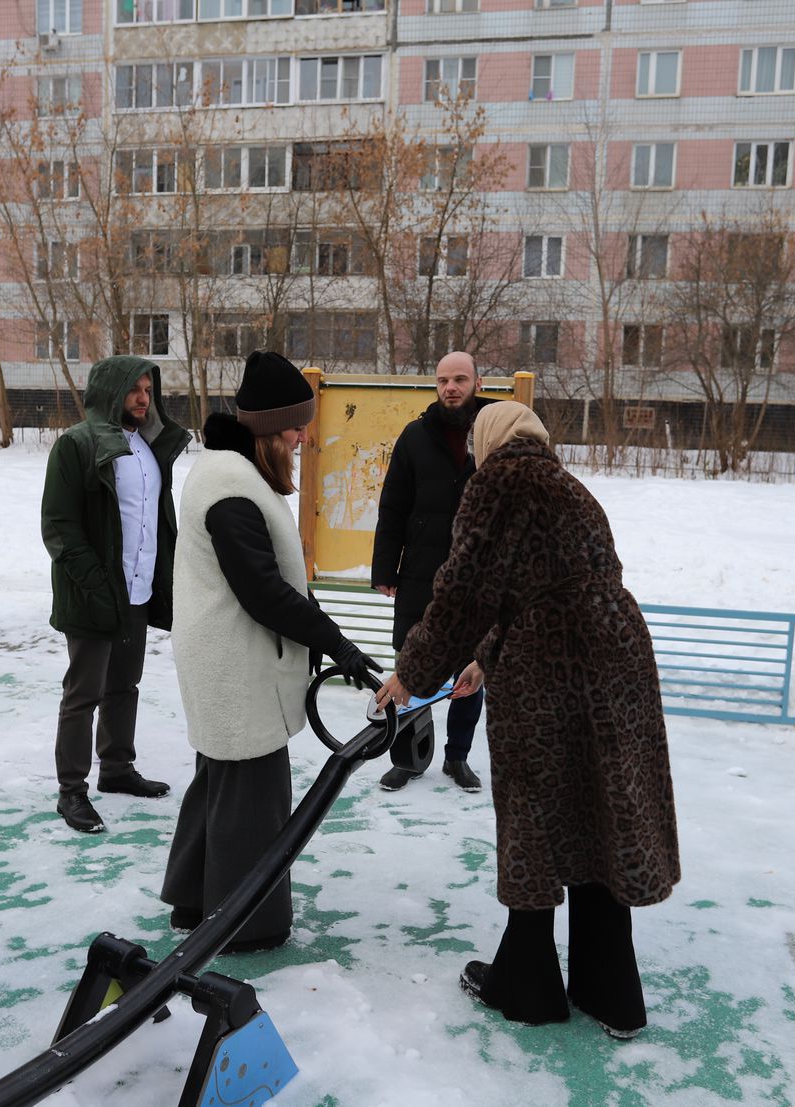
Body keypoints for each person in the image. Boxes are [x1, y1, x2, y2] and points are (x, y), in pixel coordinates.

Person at [375, 402, 680, 1036]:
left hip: (550, 672)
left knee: (535, 820)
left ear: (490, 441)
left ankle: (529, 987)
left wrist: (410, 674)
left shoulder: (499, 483)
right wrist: (484, 661)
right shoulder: (571, 489)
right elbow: (548, 587)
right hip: (615, 664)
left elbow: (462, 594)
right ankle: (610, 993)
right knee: (597, 815)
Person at [162, 351, 382, 951]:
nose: (303, 436)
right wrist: (338, 643)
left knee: (221, 780)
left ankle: (193, 901)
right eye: (295, 426)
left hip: (231, 658)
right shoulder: (231, 487)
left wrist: (329, 640)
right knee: (251, 795)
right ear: (267, 428)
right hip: (235, 664)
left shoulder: (233, 473)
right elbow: (264, 592)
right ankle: (244, 925)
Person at [42, 355, 190, 833]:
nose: (144, 399)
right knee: (83, 695)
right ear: (110, 391)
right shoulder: (77, 445)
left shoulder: (147, 448)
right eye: (134, 390)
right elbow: (59, 528)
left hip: (139, 592)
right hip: (93, 595)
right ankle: (71, 791)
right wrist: (97, 584)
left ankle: (118, 769)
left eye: (148, 390)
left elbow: (154, 521)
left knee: (124, 687)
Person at [370, 350, 495, 792]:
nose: (450, 388)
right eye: (443, 380)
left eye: (460, 379)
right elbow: (393, 506)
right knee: (412, 664)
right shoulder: (414, 437)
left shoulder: (493, 434)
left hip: (478, 581)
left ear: (477, 382)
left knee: (469, 673)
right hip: (422, 574)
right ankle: (407, 757)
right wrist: (385, 566)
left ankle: (456, 758)